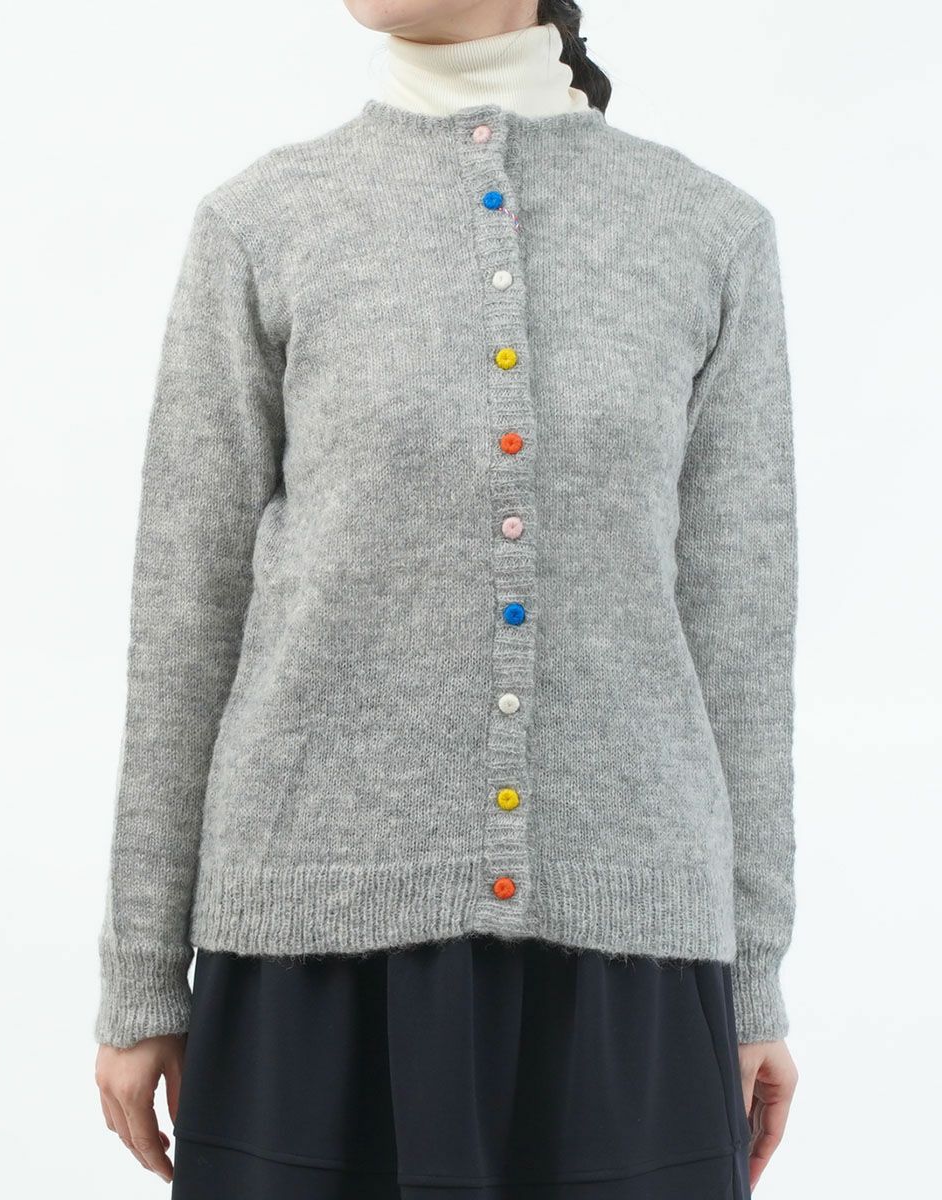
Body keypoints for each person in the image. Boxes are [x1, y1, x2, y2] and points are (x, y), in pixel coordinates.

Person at [93, 2, 800, 1196]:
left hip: (625, 957)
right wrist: (143, 975)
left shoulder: (706, 232)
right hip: (310, 958)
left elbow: (742, 634)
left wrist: (754, 980)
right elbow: (182, 619)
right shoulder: (265, 223)